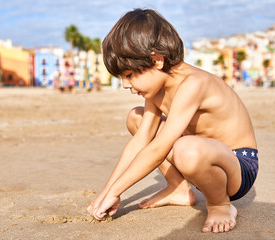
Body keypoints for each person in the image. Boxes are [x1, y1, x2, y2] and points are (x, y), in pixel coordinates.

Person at [87, 9, 258, 233]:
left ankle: (219, 204)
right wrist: (107, 191)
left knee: (185, 148)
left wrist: (117, 191)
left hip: (237, 166)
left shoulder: (193, 84)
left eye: (129, 75)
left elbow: (159, 147)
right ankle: (178, 188)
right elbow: (142, 141)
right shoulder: (155, 90)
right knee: (136, 119)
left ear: (156, 60)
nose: (125, 85)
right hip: (197, 153)